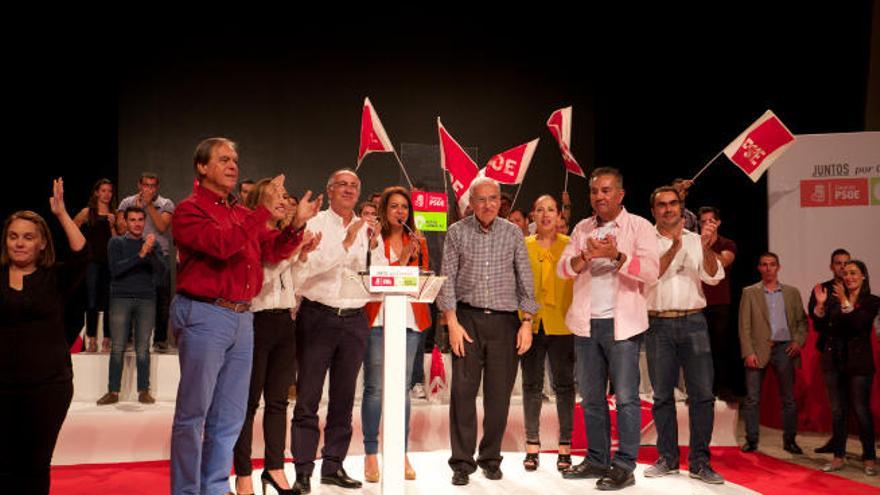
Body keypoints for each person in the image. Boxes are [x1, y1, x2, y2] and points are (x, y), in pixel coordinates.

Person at [169, 138, 314, 495]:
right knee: (193, 415)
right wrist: (263, 212)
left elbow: (269, 251)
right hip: (205, 313)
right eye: (223, 159)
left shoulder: (237, 211)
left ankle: (216, 486)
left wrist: (295, 226)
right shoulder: (189, 210)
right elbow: (222, 245)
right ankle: (187, 490)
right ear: (202, 167)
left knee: (230, 415)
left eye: (235, 159)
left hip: (242, 317)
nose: (233, 165)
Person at [557, 167, 659, 491]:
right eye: (594, 191)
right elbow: (564, 269)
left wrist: (616, 255)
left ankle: (625, 465)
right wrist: (584, 257)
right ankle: (597, 459)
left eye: (605, 190)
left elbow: (652, 272)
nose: (598, 197)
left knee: (627, 398)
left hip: (623, 326)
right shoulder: (582, 228)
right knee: (591, 399)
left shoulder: (639, 226)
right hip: (587, 325)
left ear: (620, 194)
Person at [439, 176, 537, 486]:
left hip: (505, 323)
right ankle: (462, 463)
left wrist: (527, 323)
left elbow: (526, 280)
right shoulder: (456, 232)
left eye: (493, 198)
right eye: (481, 199)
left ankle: (491, 458)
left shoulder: (512, 234)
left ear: (500, 201)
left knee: (499, 397)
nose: (487, 205)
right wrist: (452, 323)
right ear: (471, 202)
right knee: (463, 395)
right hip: (466, 320)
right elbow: (447, 281)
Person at [291, 169, 384, 494]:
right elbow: (303, 271)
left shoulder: (369, 229)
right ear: (329, 190)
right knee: (308, 398)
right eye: (342, 184)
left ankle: (333, 466)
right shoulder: (315, 224)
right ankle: (303, 470)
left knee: (344, 400)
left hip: (355, 319)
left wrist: (375, 247)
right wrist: (345, 244)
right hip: (318, 317)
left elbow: (380, 275)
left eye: (354, 186)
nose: (348, 189)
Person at [233, 179, 322, 495]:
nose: (285, 200)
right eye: (278, 195)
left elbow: (293, 283)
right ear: (261, 200)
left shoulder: (284, 237)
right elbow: (263, 276)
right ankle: (243, 473)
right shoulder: (253, 235)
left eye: (287, 196)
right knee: (248, 403)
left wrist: (301, 256)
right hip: (254, 321)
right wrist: (294, 250)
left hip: (285, 321)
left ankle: (274, 469)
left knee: (279, 402)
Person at [0, 179, 88, 494]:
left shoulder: (55, 278)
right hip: (2, 388)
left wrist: (62, 214)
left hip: (48, 387)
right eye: (13, 237)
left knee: (35, 465)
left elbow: (83, 254)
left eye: (27, 237)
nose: (19, 243)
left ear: (41, 243)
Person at [643, 185, 725, 485]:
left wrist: (705, 246)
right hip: (658, 325)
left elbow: (714, 276)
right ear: (653, 211)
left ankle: (700, 462)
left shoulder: (695, 240)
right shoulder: (645, 242)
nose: (668, 209)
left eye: (673, 204)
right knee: (662, 395)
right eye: (661, 205)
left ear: (681, 207)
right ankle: (667, 458)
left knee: (702, 396)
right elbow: (647, 277)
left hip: (694, 322)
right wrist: (674, 249)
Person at [361, 186, 431, 482]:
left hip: (409, 322)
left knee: (401, 388)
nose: (400, 212)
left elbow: (424, 279)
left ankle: (400, 452)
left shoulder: (418, 240)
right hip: (378, 320)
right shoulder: (372, 239)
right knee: (375, 388)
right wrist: (403, 261)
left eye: (404, 207)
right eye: (394, 206)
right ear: (384, 210)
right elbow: (377, 278)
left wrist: (414, 261)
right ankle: (370, 454)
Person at [520, 195, 575, 473]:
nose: (545, 215)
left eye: (550, 210)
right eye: (539, 210)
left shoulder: (571, 245)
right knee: (531, 386)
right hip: (530, 324)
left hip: (563, 324)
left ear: (558, 215)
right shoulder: (523, 244)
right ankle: (532, 446)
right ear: (532, 215)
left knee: (564, 387)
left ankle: (565, 447)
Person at [812, 259, 879, 475]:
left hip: (859, 364)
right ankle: (838, 457)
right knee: (838, 412)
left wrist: (844, 301)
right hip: (835, 362)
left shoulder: (872, 301)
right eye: (846, 273)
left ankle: (869, 458)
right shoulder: (833, 300)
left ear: (863, 276)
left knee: (861, 411)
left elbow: (859, 324)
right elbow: (822, 327)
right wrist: (821, 306)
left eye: (853, 273)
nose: (849, 277)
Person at [96, 207, 167, 406]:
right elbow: (116, 269)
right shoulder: (116, 242)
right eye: (132, 220)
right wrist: (140, 255)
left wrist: (150, 252)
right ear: (125, 222)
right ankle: (113, 391)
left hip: (146, 299)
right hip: (121, 298)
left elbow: (162, 273)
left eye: (140, 220)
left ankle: (144, 390)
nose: (136, 223)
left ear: (145, 222)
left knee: (143, 347)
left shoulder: (152, 244)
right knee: (117, 346)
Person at [738, 252, 807, 454]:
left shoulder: (792, 292)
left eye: (772, 264)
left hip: (785, 348)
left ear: (778, 267)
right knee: (752, 398)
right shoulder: (750, 292)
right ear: (759, 268)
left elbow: (802, 322)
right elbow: (744, 326)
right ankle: (751, 440)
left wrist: (798, 342)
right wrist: (748, 352)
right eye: (764, 265)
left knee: (788, 399)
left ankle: (790, 440)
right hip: (759, 349)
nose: (768, 268)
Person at [117, 172, 175, 353]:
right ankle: (128, 339)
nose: (149, 189)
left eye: (152, 186)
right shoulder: (127, 203)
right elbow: (120, 228)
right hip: (134, 254)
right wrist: (133, 212)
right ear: (139, 185)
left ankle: (160, 341)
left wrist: (148, 205)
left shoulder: (166, 204)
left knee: (161, 299)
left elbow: (162, 226)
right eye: (146, 185)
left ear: (156, 188)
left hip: (159, 255)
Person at [809, 248, 851, 454]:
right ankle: (838, 444)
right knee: (836, 403)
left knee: (856, 404)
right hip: (830, 351)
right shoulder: (822, 289)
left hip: (854, 354)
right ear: (831, 266)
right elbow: (816, 323)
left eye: (846, 263)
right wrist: (820, 305)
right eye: (838, 263)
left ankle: (866, 449)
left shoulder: (858, 288)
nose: (842, 267)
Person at [698, 206, 739, 401]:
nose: (707, 225)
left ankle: (724, 388)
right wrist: (700, 244)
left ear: (718, 223)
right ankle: (704, 389)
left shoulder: (727, 243)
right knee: (699, 350)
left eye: (711, 221)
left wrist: (705, 246)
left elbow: (722, 263)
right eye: (704, 221)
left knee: (721, 347)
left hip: (720, 302)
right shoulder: (693, 243)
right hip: (698, 303)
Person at [74, 178, 117, 352]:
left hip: (109, 261)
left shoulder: (114, 213)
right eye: (104, 190)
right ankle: (91, 339)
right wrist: (84, 246)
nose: (107, 194)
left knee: (108, 301)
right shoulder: (88, 212)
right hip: (92, 261)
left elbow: (117, 242)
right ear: (97, 192)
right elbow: (73, 226)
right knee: (91, 299)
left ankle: (107, 339)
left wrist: (113, 226)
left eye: (109, 191)